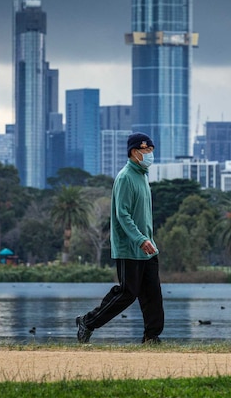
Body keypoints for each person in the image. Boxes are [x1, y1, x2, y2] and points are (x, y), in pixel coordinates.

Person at [76, 132, 164, 344]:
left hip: (148, 247)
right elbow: (122, 215)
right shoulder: (125, 177)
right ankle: (88, 322)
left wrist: (148, 240)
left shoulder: (143, 176)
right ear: (135, 152)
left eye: (152, 150)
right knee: (127, 293)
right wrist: (139, 239)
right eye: (147, 151)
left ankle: (151, 337)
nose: (150, 154)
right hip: (130, 248)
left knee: (153, 295)